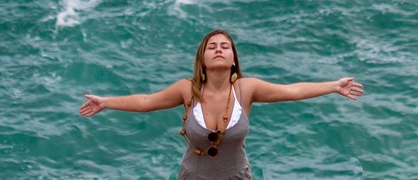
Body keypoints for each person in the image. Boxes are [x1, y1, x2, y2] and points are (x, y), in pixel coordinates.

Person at [78, 28, 365, 180]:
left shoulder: (245, 89)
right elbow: (146, 101)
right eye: (211, 47)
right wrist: (106, 102)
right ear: (202, 59)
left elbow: (291, 90)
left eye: (224, 46)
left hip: (236, 177)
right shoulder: (187, 90)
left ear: (233, 58)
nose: (218, 50)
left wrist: (333, 86)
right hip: (191, 177)